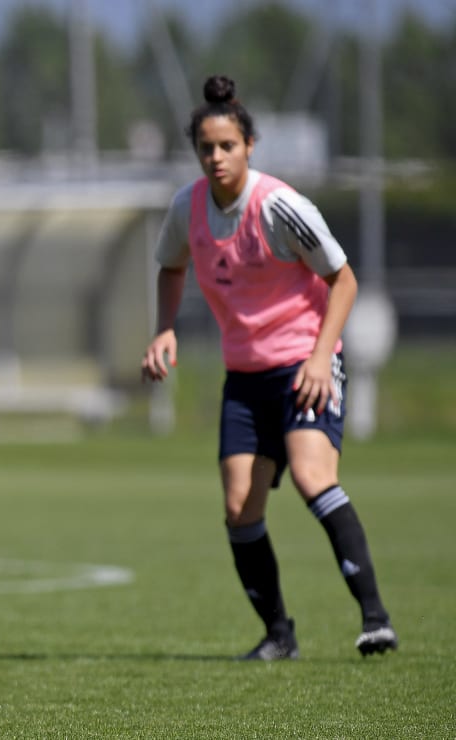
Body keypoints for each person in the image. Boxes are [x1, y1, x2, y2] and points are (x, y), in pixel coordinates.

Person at [141, 75, 398, 661]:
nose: (216, 157)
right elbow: (170, 267)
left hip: (305, 367)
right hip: (245, 378)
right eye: (206, 148)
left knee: (312, 478)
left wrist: (318, 358)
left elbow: (345, 280)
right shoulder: (188, 208)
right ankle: (279, 634)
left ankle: (375, 618)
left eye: (227, 146)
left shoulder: (279, 206)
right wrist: (163, 327)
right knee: (239, 507)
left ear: (249, 145)